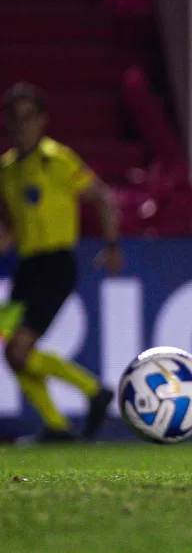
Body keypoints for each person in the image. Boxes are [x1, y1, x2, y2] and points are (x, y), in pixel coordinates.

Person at [0, 83, 122, 442]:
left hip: (55, 265)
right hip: (26, 267)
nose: (22, 127)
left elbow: (101, 197)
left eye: (29, 118)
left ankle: (93, 390)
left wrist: (111, 243)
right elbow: (9, 227)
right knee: (10, 349)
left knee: (19, 350)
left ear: (43, 121)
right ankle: (56, 425)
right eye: (14, 119)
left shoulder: (58, 159)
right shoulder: (5, 170)